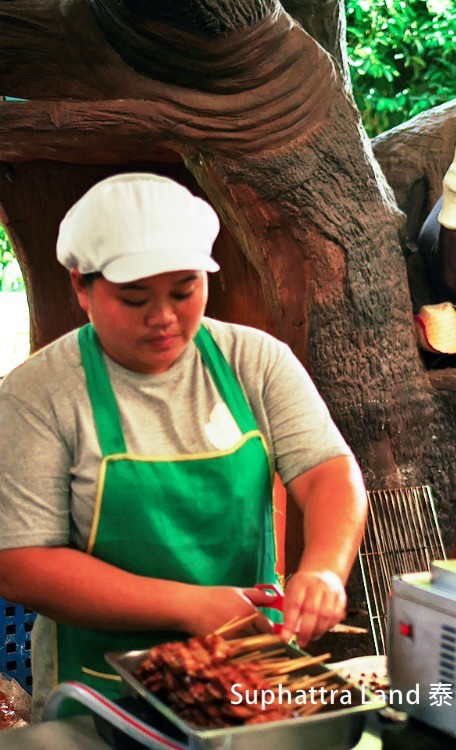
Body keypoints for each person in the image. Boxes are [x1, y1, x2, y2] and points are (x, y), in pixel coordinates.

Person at [0, 173, 367, 711]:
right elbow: (21, 562)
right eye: (134, 298)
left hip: (246, 669)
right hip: (100, 690)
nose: (164, 318)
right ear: (81, 285)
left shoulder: (254, 361)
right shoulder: (38, 394)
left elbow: (329, 471)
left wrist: (324, 571)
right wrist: (189, 606)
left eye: (184, 291)